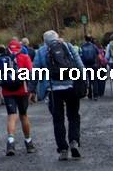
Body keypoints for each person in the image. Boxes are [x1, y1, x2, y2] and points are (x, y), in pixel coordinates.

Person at [34, 29, 83, 161]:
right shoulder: (68, 46)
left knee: (58, 120)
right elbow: (79, 65)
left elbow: (35, 72)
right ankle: (74, 141)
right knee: (73, 116)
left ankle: (62, 149)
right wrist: (84, 82)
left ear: (44, 41)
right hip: (71, 86)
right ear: (58, 37)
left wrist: (32, 90)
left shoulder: (41, 51)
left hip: (53, 90)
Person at [0, 38, 37, 156]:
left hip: (7, 91)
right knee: (23, 116)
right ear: (20, 48)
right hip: (22, 91)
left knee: (11, 116)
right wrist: (32, 91)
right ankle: (28, 142)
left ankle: (10, 143)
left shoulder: (2, 59)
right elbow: (31, 74)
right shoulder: (25, 57)